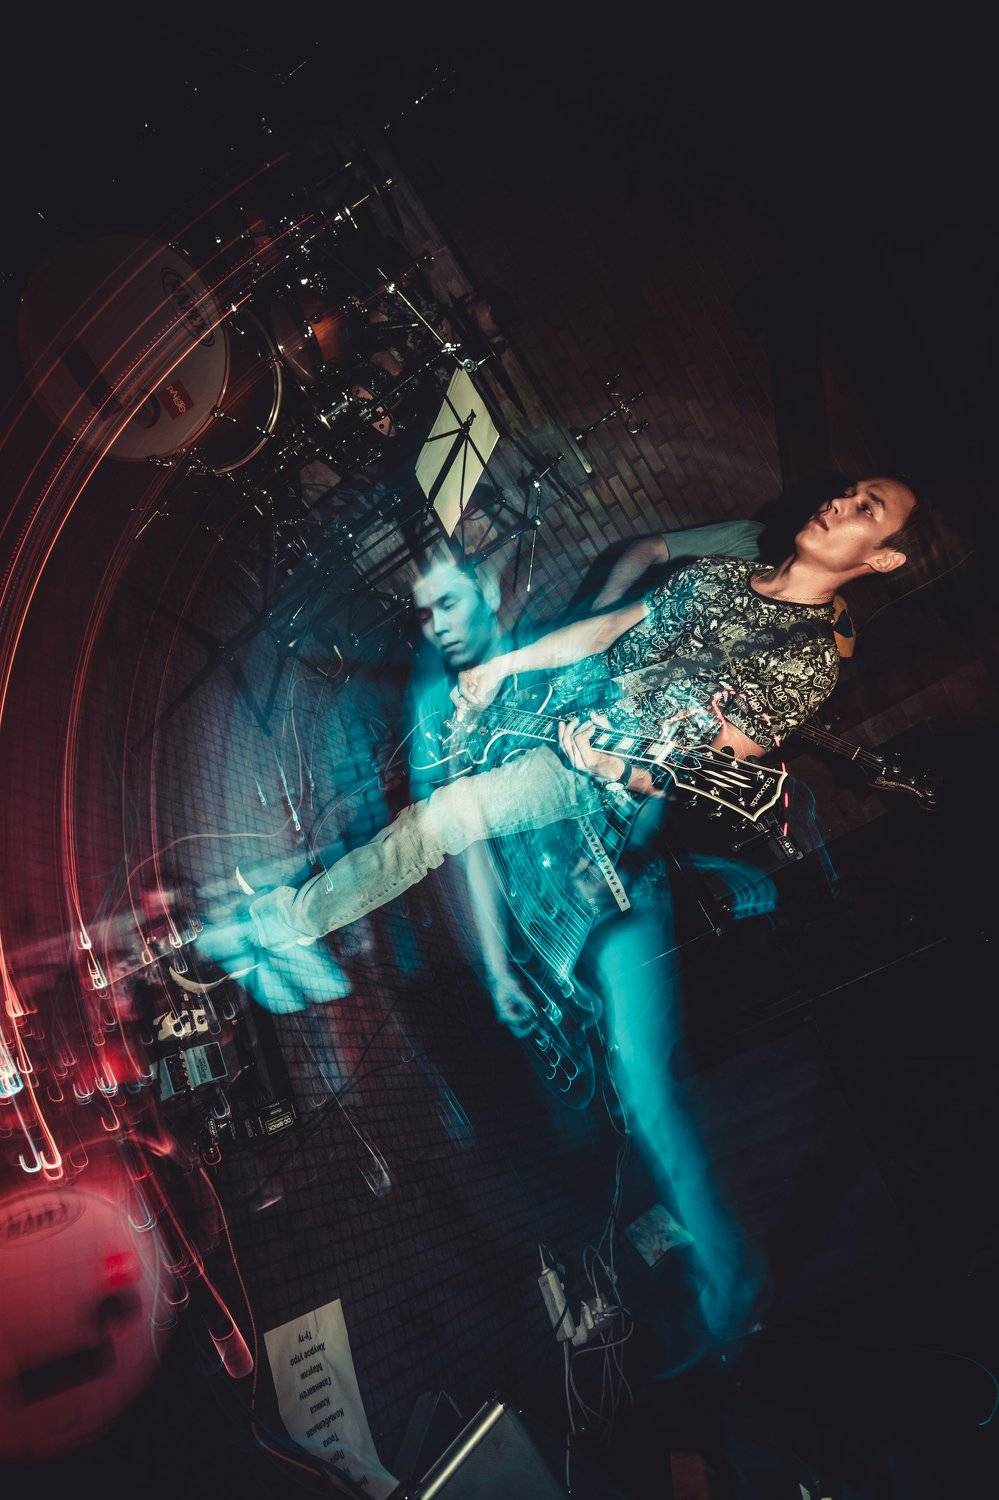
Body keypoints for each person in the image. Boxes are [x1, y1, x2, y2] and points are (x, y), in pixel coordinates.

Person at [242, 477, 916, 951]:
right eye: (848, 491)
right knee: (420, 759)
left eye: (867, 508)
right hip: (555, 696)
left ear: (883, 557)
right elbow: (605, 630)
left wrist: (614, 768)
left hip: (586, 766)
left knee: (437, 822)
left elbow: (703, 763)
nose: (840, 502)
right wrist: (505, 666)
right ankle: (312, 864)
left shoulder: (808, 660)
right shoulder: (716, 574)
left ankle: (291, 923)